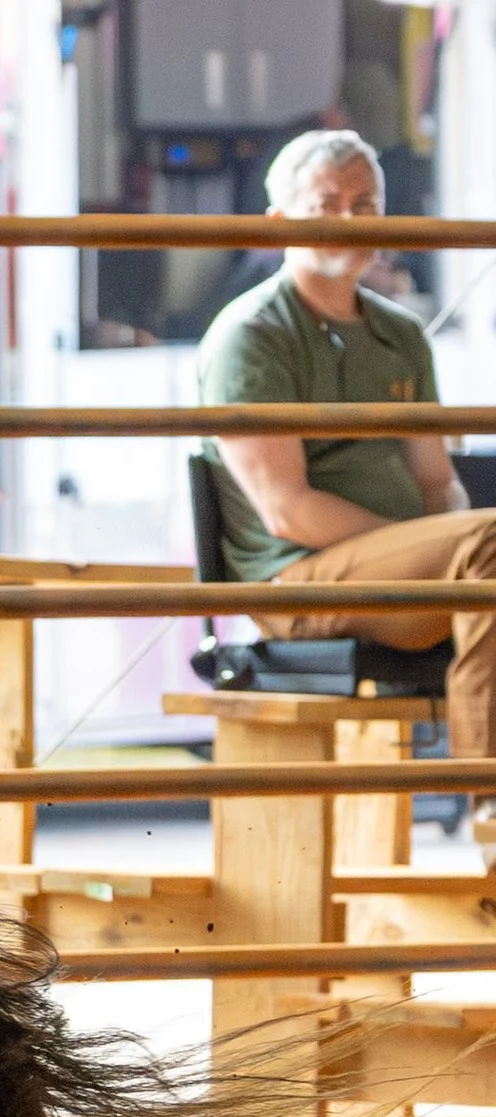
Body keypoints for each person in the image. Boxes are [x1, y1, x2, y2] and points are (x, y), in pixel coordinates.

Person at [198, 127, 496, 854]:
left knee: (480, 549)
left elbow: (436, 482)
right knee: (486, 545)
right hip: (298, 581)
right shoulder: (253, 334)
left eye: (368, 201)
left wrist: (442, 546)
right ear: (279, 222)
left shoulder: (401, 335)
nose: (354, 218)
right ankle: (491, 811)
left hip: (403, 574)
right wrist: (439, 550)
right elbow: (287, 509)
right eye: (329, 201)